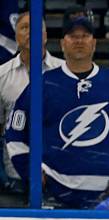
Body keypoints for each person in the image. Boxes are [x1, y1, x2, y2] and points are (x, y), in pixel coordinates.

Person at [5, 11, 109, 208]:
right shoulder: (45, 83)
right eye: (73, 36)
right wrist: (31, 172)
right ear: (62, 43)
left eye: (85, 36)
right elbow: (15, 130)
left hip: (107, 196)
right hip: (53, 194)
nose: (79, 41)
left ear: (94, 43)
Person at [0, 11, 63, 199]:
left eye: (36, 28)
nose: (31, 32)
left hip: (59, 174)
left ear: (45, 35)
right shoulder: (1, 75)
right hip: (14, 177)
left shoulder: (64, 72)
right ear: (15, 36)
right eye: (25, 28)